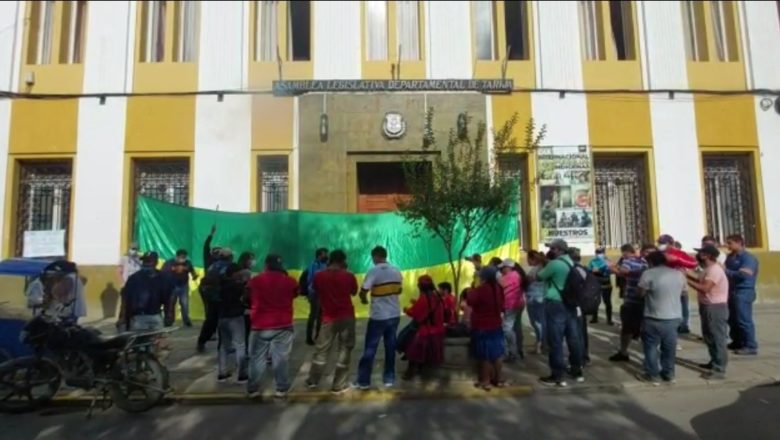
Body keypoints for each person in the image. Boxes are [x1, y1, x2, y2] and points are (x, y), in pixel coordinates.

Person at [305, 250, 358, 394]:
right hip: (346, 317)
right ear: (343, 261)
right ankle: (338, 385)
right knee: (344, 350)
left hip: (328, 318)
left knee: (321, 350)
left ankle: (313, 380)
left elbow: (314, 291)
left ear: (330, 260)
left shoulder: (319, 276)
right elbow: (354, 292)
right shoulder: (349, 276)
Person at [246, 254, 299, 398]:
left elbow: (247, 296)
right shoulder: (290, 281)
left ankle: (253, 389)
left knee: (257, 358)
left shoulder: (255, 281)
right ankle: (281, 388)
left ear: (266, 265)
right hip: (284, 324)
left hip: (260, 325)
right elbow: (295, 294)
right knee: (281, 358)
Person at [354, 246, 403, 390]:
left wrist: (364, 299)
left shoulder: (373, 271)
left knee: (370, 348)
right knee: (390, 346)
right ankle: (389, 378)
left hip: (378, 316)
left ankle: (363, 381)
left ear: (375, 256)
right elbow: (399, 289)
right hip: (394, 314)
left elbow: (363, 291)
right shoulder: (396, 270)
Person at [537, 239, 584, 387]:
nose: (550, 250)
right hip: (570, 304)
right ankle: (577, 371)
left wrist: (544, 263)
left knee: (556, 341)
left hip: (556, 304)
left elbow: (539, 276)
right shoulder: (571, 262)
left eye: (551, 248)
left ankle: (557, 375)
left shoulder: (555, 263)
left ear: (557, 250)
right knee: (573, 339)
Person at [637, 251, 686, 385]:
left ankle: (653, 375)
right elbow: (683, 292)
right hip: (673, 317)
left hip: (653, 316)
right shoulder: (678, 274)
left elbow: (640, 293)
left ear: (650, 262)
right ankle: (669, 374)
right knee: (669, 348)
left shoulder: (648, 274)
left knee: (651, 347)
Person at [687, 245, 730, 380]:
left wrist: (686, 280)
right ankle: (714, 361)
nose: (698, 255)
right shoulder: (707, 269)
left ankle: (719, 368)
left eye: (701, 253)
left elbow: (705, 288)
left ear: (707, 255)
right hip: (707, 305)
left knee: (717, 337)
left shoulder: (715, 270)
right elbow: (700, 281)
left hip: (715, 307)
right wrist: (686, 274)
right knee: (709, 336)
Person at [608, 244, 651, 362]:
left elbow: (623, 272)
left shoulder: (628, 261)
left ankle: (624, 351)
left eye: (623, 252)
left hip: (632, 299)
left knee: (627, 328)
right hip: (647, 300)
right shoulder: (645, 262)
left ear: (626, 252)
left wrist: (613, 269)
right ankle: (649, 355)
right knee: (644, 328)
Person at [468, 266, 506, 390]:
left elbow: (470, 300)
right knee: (497, 353)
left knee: (485, 355)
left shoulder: (481, 290)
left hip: (482, 326)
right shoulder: (498, 288)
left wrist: (474, 286)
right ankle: (499, 379)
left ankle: (485, 381)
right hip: (496, 324)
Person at [402, 275, 445, 380]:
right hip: (439, 330)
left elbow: (415, 314)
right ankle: (421, 369)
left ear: (421, 286)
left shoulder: (424, 298)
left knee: (411, 346)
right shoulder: (437, 296)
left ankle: (410, 372)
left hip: (427, 331)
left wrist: (406, 310)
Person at [724, 234, 759, 355]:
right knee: (732, 318)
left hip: (744, 291)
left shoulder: (748, 258)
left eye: (730, 243)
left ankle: (750, 345)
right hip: (732, 290)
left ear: (739, 243)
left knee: (743, 319)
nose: (727, 246)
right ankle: (737, 341)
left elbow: (744, 275)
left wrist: (726, 271)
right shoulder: (730, 257)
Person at [122, 252, 173, 332]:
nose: (146, 264)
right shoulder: (134, 278)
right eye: (144, 261)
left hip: (156, 317)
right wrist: (123, 318)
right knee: (139, 342)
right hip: (138, 318)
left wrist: (168, 315)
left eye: (149, 261)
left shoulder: (163, 278)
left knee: (158, 342)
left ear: (156, 262)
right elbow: (126, 298)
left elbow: (168, 299)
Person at [197, 248, 234, 353]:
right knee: (225, 321)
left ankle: (201, 342)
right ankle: (224, 346)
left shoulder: (214, 265)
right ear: (229, 257)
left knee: (211, 321)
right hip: (221, 297)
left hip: (212, 296)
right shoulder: (228, 266)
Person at [217, 263, 248, 383]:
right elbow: (245, 298)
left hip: (222, 317)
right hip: (235, 317)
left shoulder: (221, 284)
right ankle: (242, 374)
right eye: (239, 272)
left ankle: (222, 372)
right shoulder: (237, 286)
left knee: (224, 346)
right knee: (240, 345)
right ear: (234, 273)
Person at [162, 249, 199, 327]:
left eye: (184, 257)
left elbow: (192, 272)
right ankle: (169, 321)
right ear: (177, 256)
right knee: (171, 304)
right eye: (182, 257)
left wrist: (194, 275)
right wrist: (173, 269)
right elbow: (163, 272)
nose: (183, 258)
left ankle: (186, 321)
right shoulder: (169, 263)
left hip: (183, 286)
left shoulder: (187, 263)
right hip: (172, 286)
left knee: (184, 304)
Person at [499, 258, 524, 361]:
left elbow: (500, 286)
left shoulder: (509, 276)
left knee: (507, 328)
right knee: (515, 327)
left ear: (508, 267)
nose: (502, 270)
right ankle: (517, 350)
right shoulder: (517, 275)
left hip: (511, 305)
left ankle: (512, 352)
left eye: (503, 268)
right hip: (518, 304)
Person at [305, 248, 329, 346]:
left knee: (321, 315)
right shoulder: (314, 265)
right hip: (315, 293)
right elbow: (311, 278)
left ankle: (318, 336)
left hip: (323, 293)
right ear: (319, 255)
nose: (327, 255)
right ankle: (309, 337)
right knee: (314, 315)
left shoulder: (325, 264)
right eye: (325, 254)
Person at [117, 243, 142, 331]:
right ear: (129, 248)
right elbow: (119, 271)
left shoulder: (139, 259)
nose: (134, 250)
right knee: (124, 305)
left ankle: (132, 323)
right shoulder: (124, 258)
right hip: (126, 285)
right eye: (132, 248)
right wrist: (122, 282)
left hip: (137, 286)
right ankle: (121, 323)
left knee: (135, 305)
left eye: (135, 249)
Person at [525, 250, 546, 354]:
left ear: (532, 258)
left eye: (528, 258)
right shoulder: (542, 267)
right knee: (540, 321)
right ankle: (541, 342)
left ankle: (540, 343)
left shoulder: (536, 270)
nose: (527, 260)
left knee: (537, 322)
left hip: (534, 299)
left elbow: (528, 282)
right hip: (539, 297)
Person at [588, 247, 613, 325]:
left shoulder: (608, 261)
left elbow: (609, 270)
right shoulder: (592, 261)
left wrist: (599, 270)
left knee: (607, 302)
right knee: (595, 302)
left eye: (600, 252)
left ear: (604, 253)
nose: (599, 254)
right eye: (598, 253)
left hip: (606, 284)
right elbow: (589, 270)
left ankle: (609, 319)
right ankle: (594, 318)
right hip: (596, 283)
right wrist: (593, 270)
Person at [675, 241, 692, 334]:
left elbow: (689, 271)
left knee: (684, 307)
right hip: (673, 288)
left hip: (683, 287)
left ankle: (684, 325)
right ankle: (678, 324)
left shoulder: (684, 259)